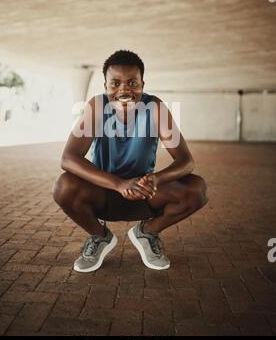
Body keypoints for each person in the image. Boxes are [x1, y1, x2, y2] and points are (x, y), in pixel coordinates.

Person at [53, 50, 208, 272]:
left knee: (197, 189)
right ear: (105, 85)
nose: (124, 90)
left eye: (132, 82)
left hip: (144, 195)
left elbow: (186, 161)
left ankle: (148, 232)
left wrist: (156, 179)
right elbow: (68, 158)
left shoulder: (155, 108)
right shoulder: (97, 106)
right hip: (103, 193)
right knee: (63, 186)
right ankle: (99, 237)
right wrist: (118, 184)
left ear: (142, 84)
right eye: (115, 83)